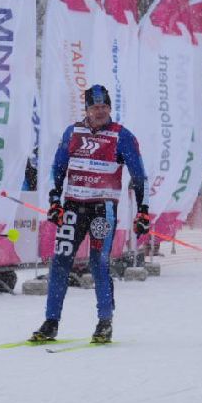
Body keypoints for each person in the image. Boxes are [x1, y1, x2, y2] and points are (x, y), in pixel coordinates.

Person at [29, 84, 148, 344]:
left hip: (101, 211)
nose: (100, 111)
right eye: (95, 107)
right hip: (73, 208)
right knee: (60, 261)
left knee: (98, 262)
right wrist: (54, 201)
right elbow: (58, 169)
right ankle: (51, 322)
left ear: (110, 108)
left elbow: (139, 176)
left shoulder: (122, 136)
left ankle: (104, 322)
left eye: (104, 106)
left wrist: (143, 211)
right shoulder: (73, 132)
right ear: (86, 109)